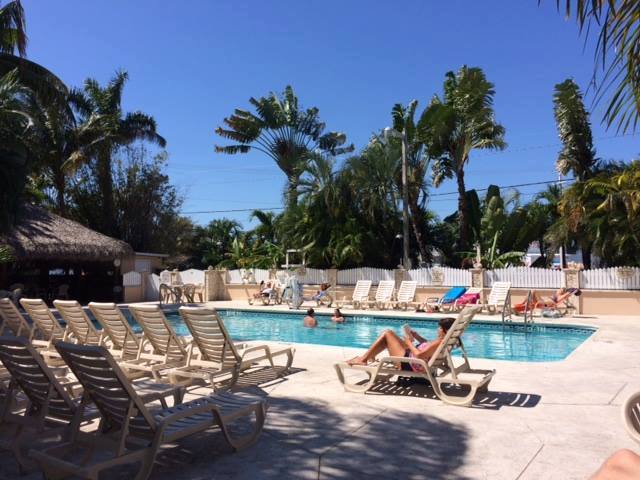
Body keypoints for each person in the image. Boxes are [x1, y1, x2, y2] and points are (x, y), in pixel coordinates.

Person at [346, 317, 456, 370]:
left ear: (445, 330)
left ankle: (364, 359)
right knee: (388, 337)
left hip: (409, 363)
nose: (438, 329)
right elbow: (428, 348)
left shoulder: (439, 342)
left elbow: (419, 355)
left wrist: (409, 343)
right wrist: (417, 337)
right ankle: (368, 357)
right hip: (410, 357)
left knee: (387, 333)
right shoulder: (443, 341)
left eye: (440, 328)